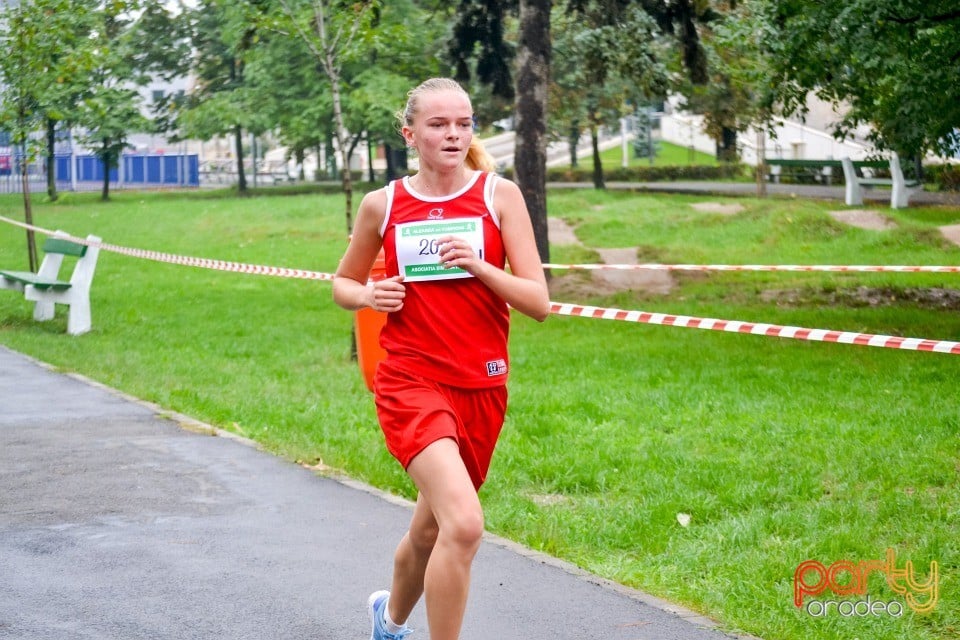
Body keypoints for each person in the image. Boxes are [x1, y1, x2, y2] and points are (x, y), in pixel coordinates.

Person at [333, 77, 550, 640]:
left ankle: (390, 621)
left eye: (463, 123)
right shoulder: (383, 205)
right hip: (410, 382)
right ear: (411, 134)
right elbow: (343, 283)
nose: (453, 134)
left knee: (430, 533)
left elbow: (539, 303)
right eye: (438, 124)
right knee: (464, 524)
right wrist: (368, 296)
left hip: (481, 388)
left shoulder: (498, 198)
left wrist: (481, 267)